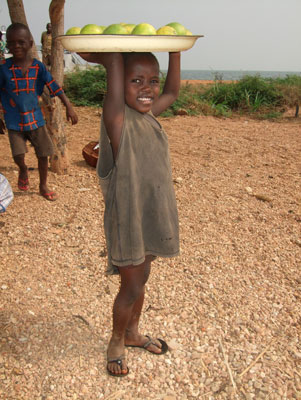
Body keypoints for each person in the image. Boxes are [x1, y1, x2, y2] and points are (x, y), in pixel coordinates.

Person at [78, 49, 181, 377]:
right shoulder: (118, 119)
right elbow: (115, 87)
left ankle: (134, 332)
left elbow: (172, 92)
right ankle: (117, 341)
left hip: (150, 216)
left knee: (142, 278)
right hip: (129, 221)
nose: (147, 88)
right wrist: (110, 61)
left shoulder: (149, 114)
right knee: (131, 286)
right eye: (136, 81)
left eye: (152, 80)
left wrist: (176, 50)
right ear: (120, 84)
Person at [0, 23, 78, 201]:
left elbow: (54, 87)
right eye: (12, 43)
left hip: (36, 119)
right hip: (14, 121)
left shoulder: (38, 67)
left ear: (30, 43)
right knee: (18, 154)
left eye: (21, 42)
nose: (16, 46)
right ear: (7, 45)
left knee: (44, 153)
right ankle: (23, 169)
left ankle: (43, 186)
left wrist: (69, 106)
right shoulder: (3, 69)